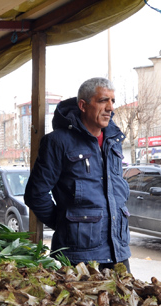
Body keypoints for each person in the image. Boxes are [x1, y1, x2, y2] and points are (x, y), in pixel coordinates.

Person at [25, 77, 131, 272]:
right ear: (83, 105)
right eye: (103, 100)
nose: (110, 107)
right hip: (78, 255)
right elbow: (35, 194)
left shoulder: (113, 141)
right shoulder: (58, 142)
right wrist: (65, 223)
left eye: (113, 101)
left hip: (118, 252)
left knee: (126, 300)